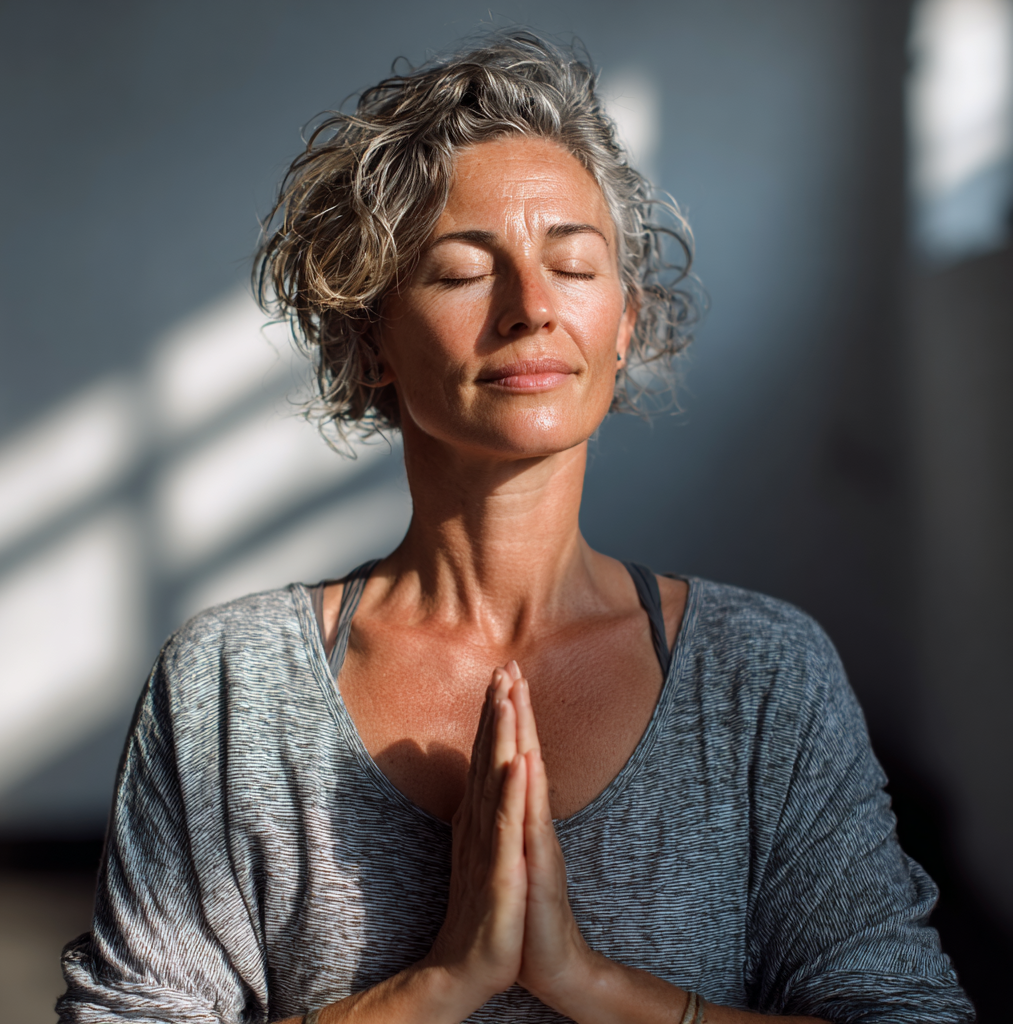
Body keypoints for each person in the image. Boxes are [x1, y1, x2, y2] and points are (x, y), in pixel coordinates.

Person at [58, 32, 973, 1024]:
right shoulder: (230, 685)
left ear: (623, 323)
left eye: (574, 266)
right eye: (460, 272)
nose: (531, 309)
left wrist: (593, 985)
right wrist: (439, 984)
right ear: (370, 340)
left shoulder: (763, 676)